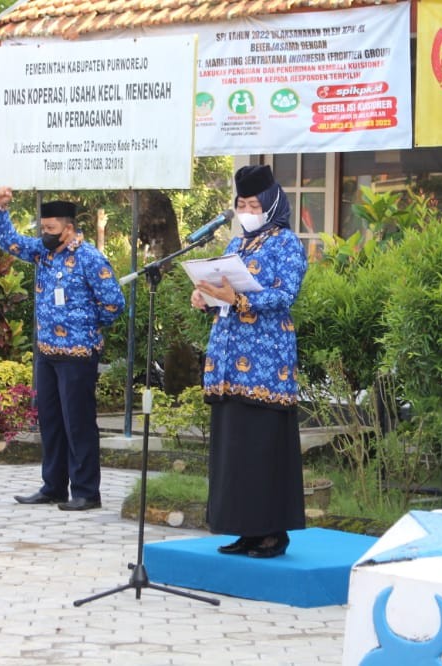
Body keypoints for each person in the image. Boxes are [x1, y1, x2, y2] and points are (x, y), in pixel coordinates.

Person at [190, 165, 308, 558]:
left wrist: (239, 299)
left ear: (272, 204)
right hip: (227, 365)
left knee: (261, 448)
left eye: (253, 204)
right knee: (235, 449)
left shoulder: (286, 244)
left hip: (265, 364)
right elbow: (225, 295)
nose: (246, 210)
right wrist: (206, 298)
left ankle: (272, 533)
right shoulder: (236, 246)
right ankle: (245, 529)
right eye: (241, 204)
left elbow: (284, 294)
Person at [0, 187, 125, 511]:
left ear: (69, 228)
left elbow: (114, 302)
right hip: (47, 351)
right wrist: (0, 210)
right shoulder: (43, 253)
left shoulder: (90, 258)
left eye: (51, 230)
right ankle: (53, 486)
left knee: (77, 422)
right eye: (43, 229)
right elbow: (11, 242)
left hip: (78, 354)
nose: (45, 235)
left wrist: (87, 327)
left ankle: (85, 492)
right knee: (50, 420)